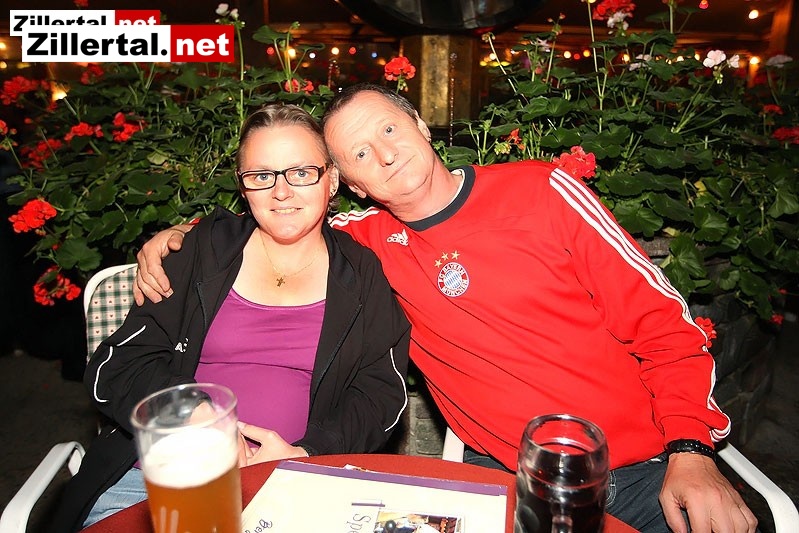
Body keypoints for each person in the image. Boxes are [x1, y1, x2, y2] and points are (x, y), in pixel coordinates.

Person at [134, 85, 757, 533]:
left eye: (388, 130)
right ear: (349, 184)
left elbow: (668, 329)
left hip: (650, 467)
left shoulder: (542, 192)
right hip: (513, 482)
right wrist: (181, 237)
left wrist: (692, 452)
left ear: (422, 126)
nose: (383, 154)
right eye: (358, 154)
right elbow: (279, 212)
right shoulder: (364, 243)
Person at [52, 102, 410, 532]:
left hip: (295, 485)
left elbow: (380, 393)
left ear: (331, 179)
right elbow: (117, 367)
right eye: (261, 176)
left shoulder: (361, 271)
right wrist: (193, 411)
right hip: (162, 479)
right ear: (243, 187)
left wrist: (308, 453)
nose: (281, 192)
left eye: (301, 172)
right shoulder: (200, 251)